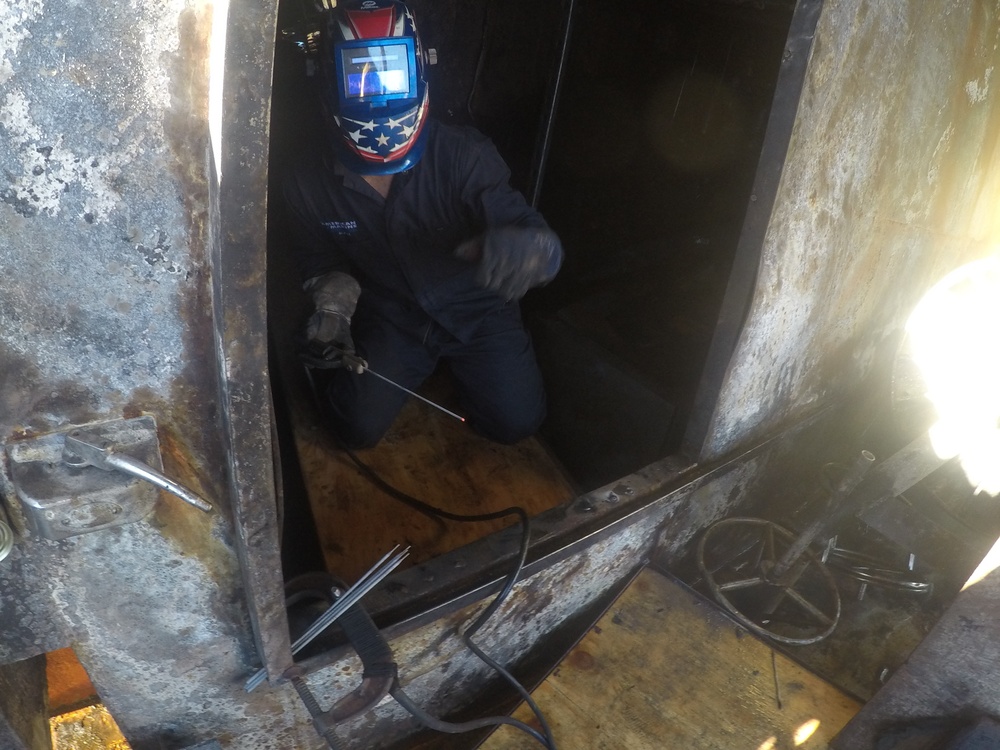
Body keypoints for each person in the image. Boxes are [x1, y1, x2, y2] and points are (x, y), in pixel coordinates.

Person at [282, 0, 562, 449]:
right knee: (352, 429)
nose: (375, 89)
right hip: (393, 316)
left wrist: (531, 250)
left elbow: (529, 231)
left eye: (387, 71)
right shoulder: (303, 182)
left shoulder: (463, 154)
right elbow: (318, 257)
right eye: (360, 76)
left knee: (515, 423)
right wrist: (332, 309)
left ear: (419, 65)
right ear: (327, 77)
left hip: (477, 310)